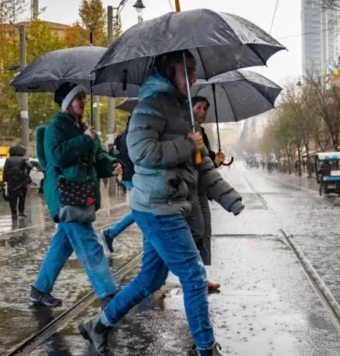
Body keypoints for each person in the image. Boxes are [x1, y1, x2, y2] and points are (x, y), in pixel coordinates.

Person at [77, 50, 244, 356]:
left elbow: (202, 164)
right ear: (169, 72)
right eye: (187, 72)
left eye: (194, 72)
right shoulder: (150, 106)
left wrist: (229, 197)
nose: (193, 79)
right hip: (157, 206)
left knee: (149, 279)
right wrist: (186, 145)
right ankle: (206, 349)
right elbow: (141, 152)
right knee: (194, 276)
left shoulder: (184, 112)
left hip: (168, 203)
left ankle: (98, 325)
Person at [30, 82, 123, 308]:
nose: (82, 101)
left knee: (62, 244)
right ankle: (108, 293)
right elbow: (56, 156)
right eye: (77, 98)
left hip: (82, 192)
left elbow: (98, 157)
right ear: (66, 103)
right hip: (67, 194)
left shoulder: (86, 129)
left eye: (83, 97)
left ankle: (39, 289)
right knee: (89, 244)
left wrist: (113, 165)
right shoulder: (56, 127)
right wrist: (84, 140)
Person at [188, 96, 225, 292]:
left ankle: (201, 277)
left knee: (205, 231)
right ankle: (192, 275)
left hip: (202, 188)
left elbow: (205, 158)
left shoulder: (200, 131)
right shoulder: (187, 129)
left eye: (206, 109)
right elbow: (191, 158)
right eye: (199, 107)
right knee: (196, 231)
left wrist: (215, 158)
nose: (203, 112)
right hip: (190, 188)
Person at [101, 117, 136, 253]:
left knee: (142, 210)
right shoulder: (133, 136)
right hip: (135, 177)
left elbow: (113, 155)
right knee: (142, 210)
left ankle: (111, 233)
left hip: (128, 177)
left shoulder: (121, 137)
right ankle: (111, 233)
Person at [2, 144, 32, 218]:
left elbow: (5, 170)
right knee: (22, 197)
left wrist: (5, 180)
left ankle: (14, 213)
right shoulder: (24, 159)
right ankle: (21, 212)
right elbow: (30, 166)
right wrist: (26, 174)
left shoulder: (8, 160)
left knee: (12, 198)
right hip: (22, 181)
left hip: (12, 182)